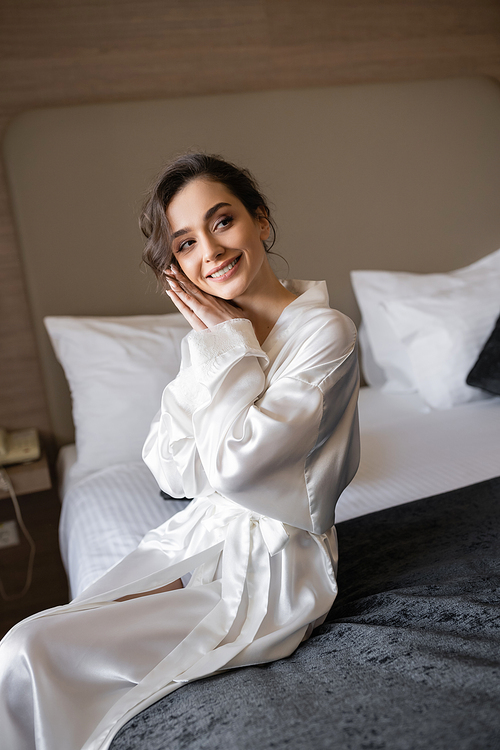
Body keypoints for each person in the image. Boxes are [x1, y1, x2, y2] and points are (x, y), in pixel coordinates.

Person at [0, 153, 360, 750]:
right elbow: (172, 467)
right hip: (196, 543)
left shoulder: (326, 333)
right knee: (31, 641)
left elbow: (237, 468)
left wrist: (228, 348)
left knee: (27, 650)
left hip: (273, 571)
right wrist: (219, 345)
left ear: (261, 222)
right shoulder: (213, 337)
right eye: (186, 243)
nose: (209, 253)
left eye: (222, 223)